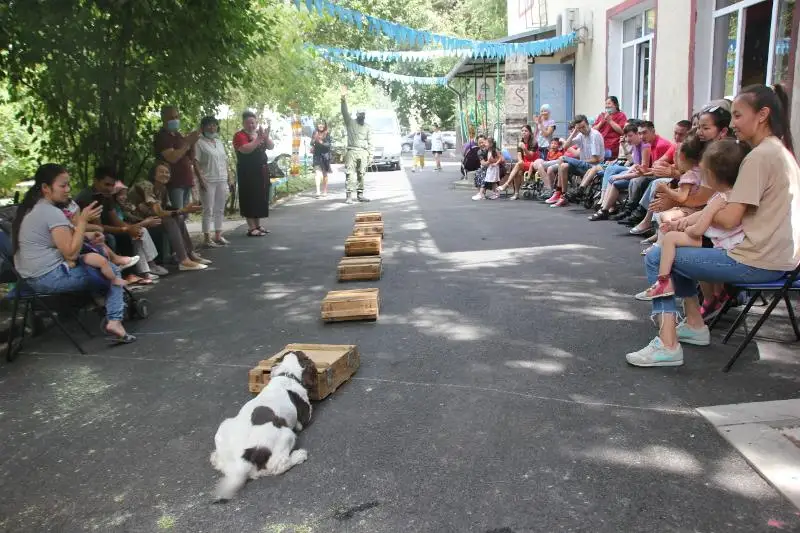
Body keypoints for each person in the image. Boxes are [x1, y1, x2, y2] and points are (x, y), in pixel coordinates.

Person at [626, 84, 800, 367]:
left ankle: (668, 344)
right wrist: (693, 218)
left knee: (659, 256)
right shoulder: (779, 151)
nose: (733, 124)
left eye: (739, 116)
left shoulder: (759, 157)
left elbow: (730, 217)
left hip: (759, 260)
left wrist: (695, 217)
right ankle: (693, 325)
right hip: (778, 259)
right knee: (676, 253)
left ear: (762, 115)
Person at [11, 164, 135, 343]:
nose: (68, 190)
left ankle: (101, 304)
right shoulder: (50, 212)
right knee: (111, 270)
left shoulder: (36, 208)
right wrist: (83, 221)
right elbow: (70, 253)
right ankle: (114, 319)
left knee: (98, 262)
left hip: (33, 277)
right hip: (47, 278)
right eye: (62, 186)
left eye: (68, 185)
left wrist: (86, 235)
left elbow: (61, 239)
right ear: (46, 188)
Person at [635, 139, 747, 301]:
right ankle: (717, 295)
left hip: (722, 243)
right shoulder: (727, 193)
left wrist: (684, 229)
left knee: (671, 239)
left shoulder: (720, 198)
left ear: (713, 175)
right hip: (720, 239)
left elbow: (699, 228)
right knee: (673, 236)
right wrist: (681, 222)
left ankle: (664, 282)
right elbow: (701, 215)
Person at [75, 166, 164, 281]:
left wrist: (132, 228)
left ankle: (134, 272)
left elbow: (116, 221)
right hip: (86, 232)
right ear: (96, 181)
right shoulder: (89, 197)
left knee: (133, 232)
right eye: (106, 184)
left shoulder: (107, 196)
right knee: (111, 238)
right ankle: (116, 275)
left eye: (112, 185)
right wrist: (127, 229)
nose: (110, 188)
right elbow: (98, 228)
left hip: (101, 229)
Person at [128, 162, 210, 271]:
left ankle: (190, 254)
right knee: (169, 220)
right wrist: (183, 210)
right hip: (135, 222)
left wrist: (187, 210)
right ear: (153, 175)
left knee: (178, 218)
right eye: (161, 171)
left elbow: (169, 209)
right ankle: (183, 260)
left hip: (150, 220)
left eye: (167, 172)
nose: (165, 174)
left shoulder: (163, 189)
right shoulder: (146, 185)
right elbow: (159, 212)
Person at [614, 120, 692, 224]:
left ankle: (639, 214)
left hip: (678, 178)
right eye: (640, 133)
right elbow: (658, 165)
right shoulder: (670, 145)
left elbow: (677, 170)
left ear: (653, 131)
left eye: (644, 133)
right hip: (668, 174)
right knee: (638, 179)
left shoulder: (661, 145)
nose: (676, 137)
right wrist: (646, 171)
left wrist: (645, 171)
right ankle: (632, 211)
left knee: (646, 181)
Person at [587, 123, 652, 220]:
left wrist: (621, 176)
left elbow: (642, 170)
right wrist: (626, 172)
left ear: (637, 134)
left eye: (630, 136)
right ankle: (604, 207)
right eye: (626, 136)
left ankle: (604, 208)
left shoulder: (645, 146)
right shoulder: (635, 145)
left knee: (616, 181)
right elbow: (634, 164)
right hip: (635, 171)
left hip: (642, 176)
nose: (628, 139)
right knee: (611, 177)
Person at [111, 182, 164, 280]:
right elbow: (123, 227)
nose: (123, 197)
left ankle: (147, 268)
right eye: (120, 194)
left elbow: (132, 218)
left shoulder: (122, 207)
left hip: (125, 229)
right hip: (117, 232)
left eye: (125, 194)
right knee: (140, 231)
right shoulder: (113, 208)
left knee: (140, 232)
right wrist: (145, 222)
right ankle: (147, 268)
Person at [548, 115, 605, 208]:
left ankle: (558, 191)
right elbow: (565, 146)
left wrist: (580, 162)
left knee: (561, 158)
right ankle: (563, 196)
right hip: (583, 166)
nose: (582, 129)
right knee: (563, 166)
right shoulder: (581, 135)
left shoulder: (594, 135)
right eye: (579, 128)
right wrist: (574, 131)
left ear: (588, 124)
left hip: (593, 166)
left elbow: (596, 159)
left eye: (583, 127)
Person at [233, 111, 274, 236]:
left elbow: (271, 146)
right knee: (249, 197)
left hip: (261, 170)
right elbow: (245, 150)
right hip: (247, 171)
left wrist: (265, 137)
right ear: (243, 123)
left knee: (259, 198)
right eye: (248, 123)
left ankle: (258, 225)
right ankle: (251, 228)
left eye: (253, 122)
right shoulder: (239, 135)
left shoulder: (259, 134)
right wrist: (259, 139)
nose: (251, 125)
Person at [154, 106, 203, 209]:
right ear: (163, 118)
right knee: (177, 214)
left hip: (186, 180)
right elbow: (172, 158)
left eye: (176, 117)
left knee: (184, 216)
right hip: (174, 182)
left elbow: (190, 157)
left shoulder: (178, 135)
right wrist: (187, 143)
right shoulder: (162, 136)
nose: (175, 120)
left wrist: (193, 142)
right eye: (171, 117)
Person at [194, 116, 230, 247]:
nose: (212, 127)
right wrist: (200, 179)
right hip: (208, 179)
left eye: (214, 125)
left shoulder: (219, 142)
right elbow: (196, 162)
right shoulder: (199, 142)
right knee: (208, 209)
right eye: (208, 125)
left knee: (220, 208)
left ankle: (218, 235)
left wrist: (229, 176)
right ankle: (207, 237)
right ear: (202, 127)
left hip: (222, 178)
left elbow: (225, 160)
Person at [340, 86, 371, 204]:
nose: (362, 116)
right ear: (357, 115)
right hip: (351, 151)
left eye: (363, 115)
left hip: (363, 152)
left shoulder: (367, 127)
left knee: (361, 174)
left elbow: (371, 142)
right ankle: (348, 196)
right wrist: (343, 99)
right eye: (360, 115)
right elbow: (344, 112)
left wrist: (370, 155)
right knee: (349, 174)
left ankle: (360, 194)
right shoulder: (350, 122)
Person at [497, 125, 539, 200]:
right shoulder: (520, 143)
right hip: (524, 163)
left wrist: (524, 148)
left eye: (526, 131)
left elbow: (531, 156)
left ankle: (506, 184)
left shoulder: (534, 142)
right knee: (518, 171)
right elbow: (519, 156)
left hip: (533, 164)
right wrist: (520, 161)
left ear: (530, 133)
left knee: (518, 165)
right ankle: (516, 193)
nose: (524, 132)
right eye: (522, 131)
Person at [311, 120, 332, 198]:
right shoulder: (315, 132)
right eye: (319, 124)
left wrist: (321, 142)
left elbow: (328, 145)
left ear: (324, 125)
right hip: (316, 155)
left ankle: (325, 191)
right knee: (317, 173)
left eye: (322, 124)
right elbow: (311, 142)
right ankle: (318, 192)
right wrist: (313, 143)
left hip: (325, 156)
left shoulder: (327, 134)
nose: (320, 125)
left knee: (324, 174)